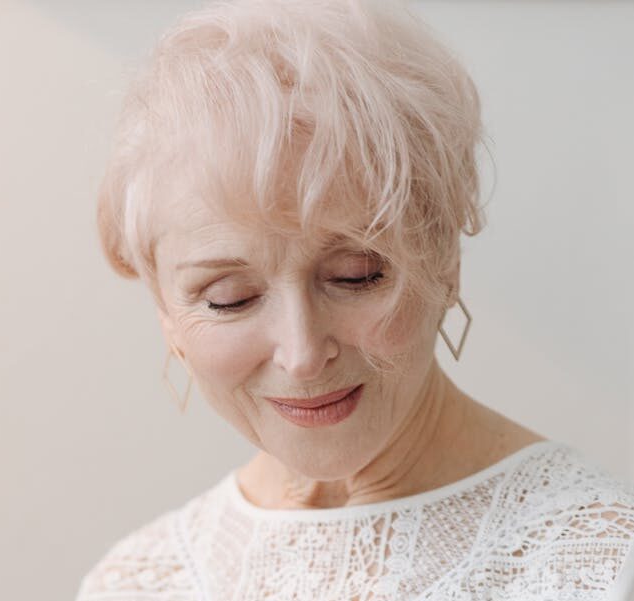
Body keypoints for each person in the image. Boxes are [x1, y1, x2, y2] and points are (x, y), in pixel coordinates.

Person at [75, 0, 634, 598]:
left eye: (356, 275)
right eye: (230, 299)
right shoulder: (135, 582)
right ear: (166, 313)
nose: (302, 355)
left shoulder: (599, 564)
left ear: (444, 257)